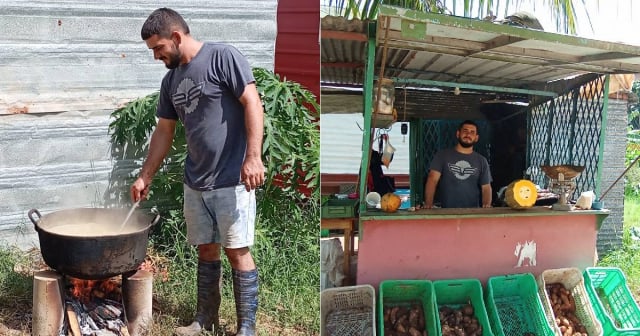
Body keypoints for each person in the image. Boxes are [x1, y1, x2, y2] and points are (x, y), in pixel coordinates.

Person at [131, 8, 265, 336]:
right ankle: (206, 319)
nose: (156, 56)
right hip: (196, 181)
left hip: (233, 178)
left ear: (176, 37)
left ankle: (246, 328)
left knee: (237, 251)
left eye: (158, 48)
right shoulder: (171, 80)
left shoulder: (223, 57)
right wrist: (145, 175)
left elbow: (252, 102)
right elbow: (164, 131)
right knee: (206, 249)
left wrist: (253, 157)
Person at [424, 120, 492, 208]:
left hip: (473, 213)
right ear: (458, 134)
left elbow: (486, 187)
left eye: (472, 132)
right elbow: (432, 179)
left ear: (476, 138)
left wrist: (486, 205)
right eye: (465, 131)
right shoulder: (442, 155)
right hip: (446, 212)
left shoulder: (482, 160)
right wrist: (428, 204)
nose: (468, 134)